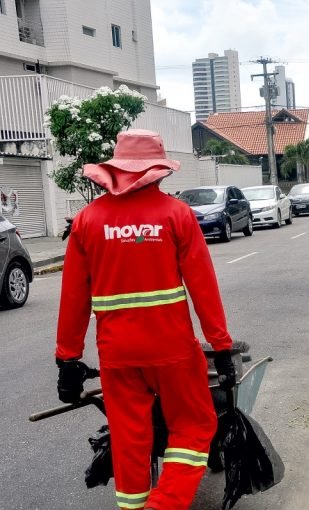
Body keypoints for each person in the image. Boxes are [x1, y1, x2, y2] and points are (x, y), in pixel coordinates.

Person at [55, 129, 236, 510]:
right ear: (157, 171)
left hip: (117, 355)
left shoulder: (87, 221)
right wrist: (221, 347)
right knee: (195, 425)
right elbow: (203, 288)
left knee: (129, 439)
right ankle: (164, 504)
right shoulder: (176, 214)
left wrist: (67, 360)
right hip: (172, 350)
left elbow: (73, 299)